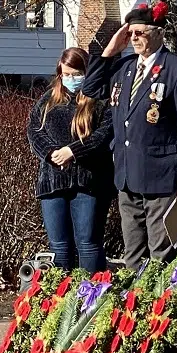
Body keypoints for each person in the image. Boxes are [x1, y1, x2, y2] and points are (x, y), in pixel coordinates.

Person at [81, 1, 177, 270]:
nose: (133, 38)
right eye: (130, 33)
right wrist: (110, 51)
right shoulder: (124, 69)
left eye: (139, 33)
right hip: (127, 175)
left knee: (162, 253)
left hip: (162, 176)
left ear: (158, 33)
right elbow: (91, 88)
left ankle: (163, 306)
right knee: (133, 253)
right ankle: (135, 307)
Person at [27, 47, 115, 274]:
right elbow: (34, 131)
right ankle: (59, 299)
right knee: (58, 247)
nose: (71, 79)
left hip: (90, 183)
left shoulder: (99, 99)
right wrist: (51, 153)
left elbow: (103, 135)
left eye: (76, 74)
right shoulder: (48, 99)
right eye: (66, 74)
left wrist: (73, 151)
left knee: (88, 243)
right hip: (53, 182)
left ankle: (91, 296)